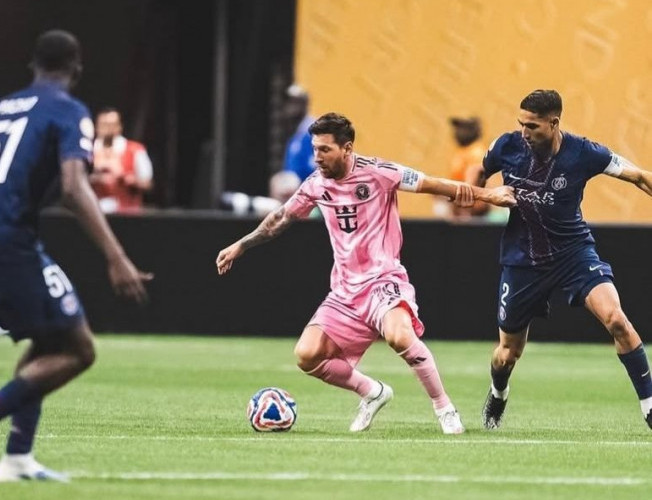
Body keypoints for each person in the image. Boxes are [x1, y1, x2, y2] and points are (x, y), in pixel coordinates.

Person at [217, 112, 516, 434]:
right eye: (315, 149)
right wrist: (241, 245)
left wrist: (488, 195)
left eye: (325, 150)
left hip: (383, 281)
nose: (317, 157)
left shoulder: (379, 173)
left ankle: (444, 408)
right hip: (345, 291)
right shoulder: (316, 184)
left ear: (347, 148)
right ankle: (372, 392)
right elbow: (280, 218)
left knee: (400, 336)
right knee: (307, 355)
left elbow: (434, 184)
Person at [0, 30, 152, 481]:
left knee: (49, 342)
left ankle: (17, 458)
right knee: (79, 348)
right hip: (7, 240)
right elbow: (74, 187)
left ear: (33, 66)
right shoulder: (67, 109)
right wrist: (116, 256)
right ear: (76, 68)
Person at [473, 89, 652, 430]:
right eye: (521, 124)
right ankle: (498, 392)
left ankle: (649, 405)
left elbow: (640, 176)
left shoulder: (585, 153)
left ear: (554, 123)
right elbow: (474, 180)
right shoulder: (506, 146)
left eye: (533, 126)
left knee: (617, 320)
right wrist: (487, 196)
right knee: (507, 354)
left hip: (573, 254)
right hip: (523, 261)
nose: (524, 132)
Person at [90, 107, 153, 213]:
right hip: (93, 211)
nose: (108, 129)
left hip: (126, 213)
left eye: (111, 125)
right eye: (104, 125)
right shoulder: (88, 150)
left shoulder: (134, 150)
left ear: (119, 126)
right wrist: (95, 177)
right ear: (97, 127)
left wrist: (123, 176)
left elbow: (147, 183)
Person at [281, 84, 315, 183]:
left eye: (295, 102)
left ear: (304, 104)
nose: (291, 107)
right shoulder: (294, 132)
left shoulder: (314, 131)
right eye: (288, 102)